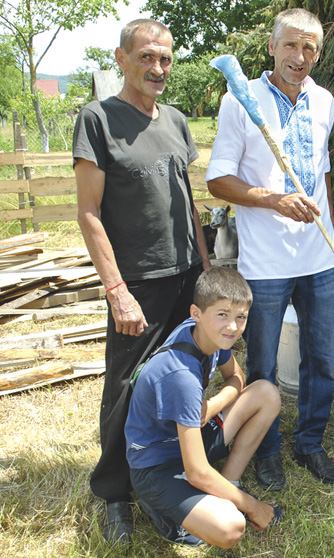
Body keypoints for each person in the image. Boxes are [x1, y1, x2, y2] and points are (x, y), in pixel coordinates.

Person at [73, 19, 209, 545]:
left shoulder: (175, 121)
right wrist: (117, 290)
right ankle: (114, 493)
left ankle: (166, 481)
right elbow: (88, 213)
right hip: (138, 283)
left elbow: (189, 203)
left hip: (185, 278)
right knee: (128, 387)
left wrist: (205, 273)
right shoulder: (98, 119)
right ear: (122, 58)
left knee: (181, 384)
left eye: (166, 59)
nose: (158, 68)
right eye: (147, 57)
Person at [206, 8, 334, 491]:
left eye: (309, 47)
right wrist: (273, 200)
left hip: (321, 257)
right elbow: (218, 180)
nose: (300, 56)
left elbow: (321, 168)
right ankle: (266, 451)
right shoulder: (239, 101)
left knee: (321, 359)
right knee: (263, 365)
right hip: (265, 264)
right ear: (272, 47)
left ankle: (310, 444)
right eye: (290, 44)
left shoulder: (325, 100)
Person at [125, 266, 282, 548]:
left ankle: (228, 483)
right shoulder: (181, 377)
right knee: (231, 527)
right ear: (196, 312)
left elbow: (237, 377)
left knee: (267, 393)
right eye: (222, 314)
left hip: (191, 437)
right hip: (158, 466)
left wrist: (209, 408)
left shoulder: (209, 335)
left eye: (240, 317)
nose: (233, 327)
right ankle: (165, 514)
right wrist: (253, 506)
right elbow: (196, 470)